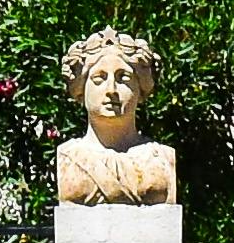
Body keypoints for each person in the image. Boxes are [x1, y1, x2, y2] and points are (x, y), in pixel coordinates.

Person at [52, 30, 177, 203]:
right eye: (99, 78)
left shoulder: (161, 158)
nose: (111, 90)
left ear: (140, 89)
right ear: (80, 90)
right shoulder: (68, 156)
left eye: (123, 78)